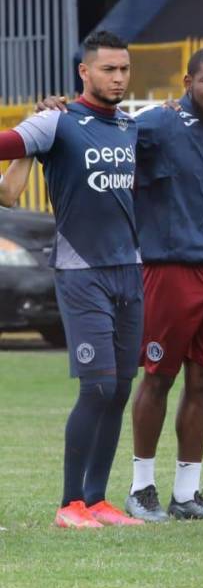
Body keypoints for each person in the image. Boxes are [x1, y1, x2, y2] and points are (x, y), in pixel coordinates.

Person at [0, 31, 145, 529]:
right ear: (85, 72)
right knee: (97, 388)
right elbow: (8, 146)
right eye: (109, 69)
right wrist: (30, 125)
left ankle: (97, 500)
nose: (119, 78)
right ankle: (69, 504)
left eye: (124, 69)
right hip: (81, 273)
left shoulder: (130, 126)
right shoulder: (57, 121)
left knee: (122, 388)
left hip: (129, 270)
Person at [126, 48, 203, 521]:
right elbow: (106, 140)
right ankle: (142, 489)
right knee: (159, 376)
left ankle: (186, 494)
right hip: (171, 267)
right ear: (187, 80)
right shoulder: (155, 124)